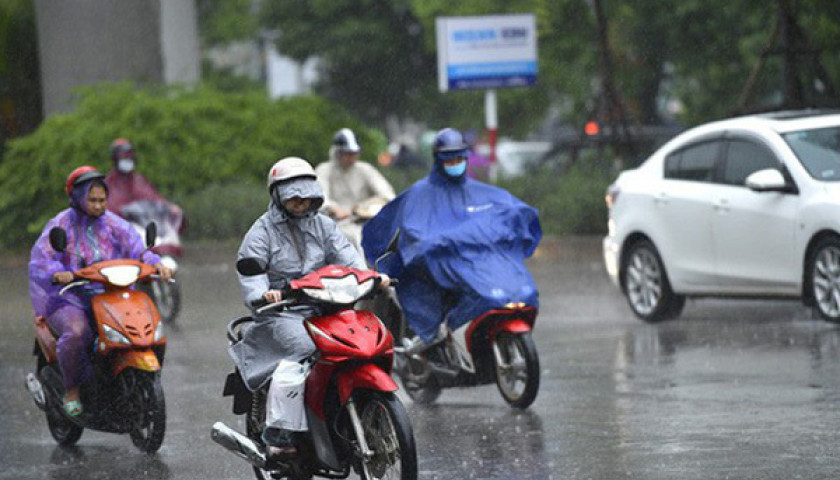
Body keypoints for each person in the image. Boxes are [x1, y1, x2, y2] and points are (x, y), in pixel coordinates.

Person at [231, 156, 378, 457]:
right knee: (305, 351)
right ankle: (280, 432)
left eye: (306, 197)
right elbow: (252, 276)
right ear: (278, 196)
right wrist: (264, 295)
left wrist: (372, 277)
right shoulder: (261, 233)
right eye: (294, 198)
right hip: (282, 313)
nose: (301, 203)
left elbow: (348, 258)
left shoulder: (325, 225)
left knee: (362, 341)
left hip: (327, 307)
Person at [361, 127, 542, 353]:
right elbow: (405, 228)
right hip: (442, 261)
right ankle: (437, 336)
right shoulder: (421, 194)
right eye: (450, 159)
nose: (455, 162)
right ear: (438, 159)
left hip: (481, 260)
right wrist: (423, 244)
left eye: (459, 158)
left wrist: (516, 222)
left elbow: (508, 210)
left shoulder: (482, 192)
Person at [28, 166, 173, 417]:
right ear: (77, 198)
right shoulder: (60, 224)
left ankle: (126, 380)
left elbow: (139, 251)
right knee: (77, 332)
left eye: (102, 200)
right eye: (92, 200)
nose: (98, 206)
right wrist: (58, 271)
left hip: (111, 294)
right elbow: (42, 259)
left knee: (142, 325)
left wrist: (155, 264)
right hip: (70, 298)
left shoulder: (116, 225)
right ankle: (71, 389)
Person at [315, 128, 396, 252]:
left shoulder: (365, 169)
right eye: (347, 153)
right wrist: (332, 208)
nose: (351, 157)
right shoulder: (324, 170)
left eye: (354, 153)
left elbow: (387, 194)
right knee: (354, 238)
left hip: (367, 220)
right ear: (338, 153)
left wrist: (367, 207)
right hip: (337, 224)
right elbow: (320, 197)